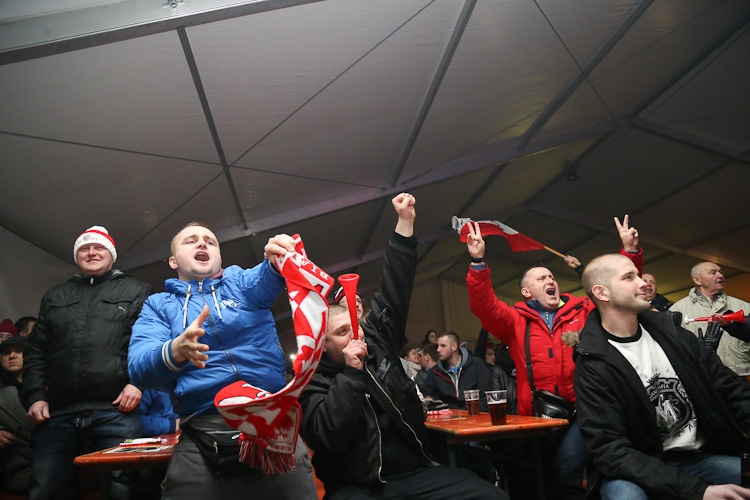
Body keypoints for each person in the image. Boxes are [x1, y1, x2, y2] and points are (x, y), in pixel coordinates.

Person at [299, 193, 505, 500]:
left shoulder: (378, 343)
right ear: (322, 346)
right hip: (357, 486)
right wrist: (351, 375)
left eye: (355, 326)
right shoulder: (311, 379)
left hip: (412, 473)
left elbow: (395, 289)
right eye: (342, 332)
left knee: (489, 496)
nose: (356, 336)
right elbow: (328, 437)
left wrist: (404, 224)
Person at [128, 223, 316, 499]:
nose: (202, 243)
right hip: (201, 431)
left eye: (210, 241)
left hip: (272, 424)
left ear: (219, 256)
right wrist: (175, 350)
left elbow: (267, 275)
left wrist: (277, 255)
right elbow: (138, 367)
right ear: (173, 261)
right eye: (191, 241)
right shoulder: (158, 306)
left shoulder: (239, 281)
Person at [464, 215, 643, 500]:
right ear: (526, 291)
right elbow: (484, 306)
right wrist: (477, 263)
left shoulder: (583, 310)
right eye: (541, 278)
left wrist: (630, 253)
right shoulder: (515, 320)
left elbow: (622, 296)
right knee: (544, 476)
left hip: (585, 409)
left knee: (566, 471)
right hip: (539, 417)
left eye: (551, 277)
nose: (550, 280)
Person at [575, 253, 750, 500]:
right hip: (636, 468)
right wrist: (699, 491)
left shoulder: (673, 334)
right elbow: (610, 450)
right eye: (629, 277)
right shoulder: (593, 362)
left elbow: (730, 388)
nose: (643, 283)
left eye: (638, 275)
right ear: (602, 293)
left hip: (696, 458)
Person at [22, 226, 152, 500]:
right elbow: (35, 351)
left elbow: (151, 342)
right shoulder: (54, 296)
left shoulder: (138, 290)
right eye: (84, 248)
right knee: (43, 490)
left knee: (124, 491)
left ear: (112, 254)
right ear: (77, 256)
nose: (92, 252)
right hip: (57, 413)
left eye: (99, 247)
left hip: (117, 411)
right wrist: (35, 396)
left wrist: (138, 383)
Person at [670, 262, 750, 375]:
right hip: (701, 378)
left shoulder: (744, 307)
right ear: (697, 280)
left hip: (741, 376)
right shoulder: (677, 310)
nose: (720, 275)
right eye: (713, 273)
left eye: (720, 272)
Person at [420, 332, 490, 411]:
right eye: (438, 346)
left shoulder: (476, 365)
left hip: (475, 413)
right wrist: (429, 399)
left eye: (443, 346)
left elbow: (486, 395)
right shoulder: (435, 371)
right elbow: (425, 393)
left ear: (454, 347)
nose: (438, 350)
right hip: (448, 415)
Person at [0, 336, 32, 494]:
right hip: (17, 466)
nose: (12, 356)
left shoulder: (47, 383)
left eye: (18, 351)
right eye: (6, 353)